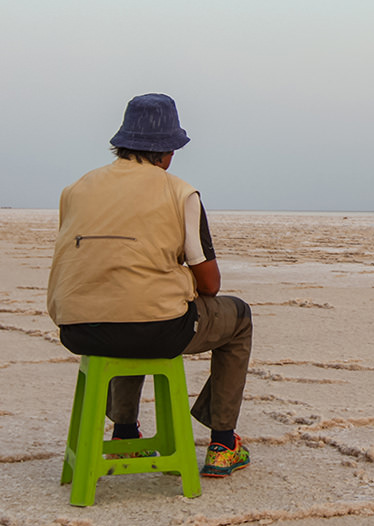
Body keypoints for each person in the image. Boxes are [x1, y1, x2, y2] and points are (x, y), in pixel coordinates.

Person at [47, 93, 252, 477]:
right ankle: (224, 443)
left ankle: (125, 434)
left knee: (125, 304)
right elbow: (209, 284)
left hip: (77, 329)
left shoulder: (75, 190)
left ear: (121, 142)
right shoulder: (179, 191)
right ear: (169, 151)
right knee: (237, 317)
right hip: (157, 329)